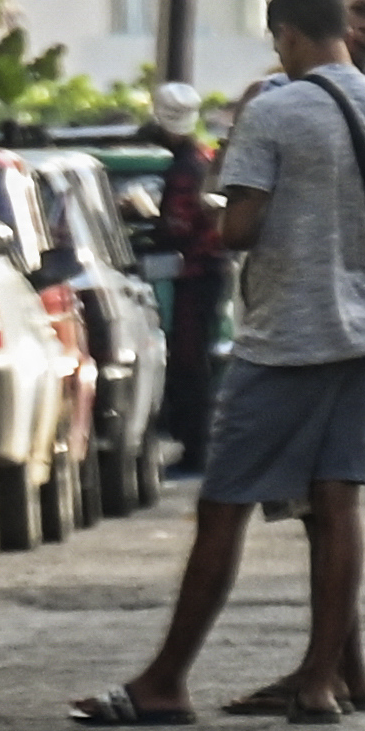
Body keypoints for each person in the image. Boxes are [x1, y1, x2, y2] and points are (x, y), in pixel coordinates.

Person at [75, 0, 365, 727]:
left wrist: (261, 217)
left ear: (286, 34)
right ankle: (326, 680)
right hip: (358, 332)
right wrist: (338, 237)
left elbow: (237, 228)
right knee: (336, 504)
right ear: (343, 24)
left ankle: (166, 680)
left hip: (283, 337)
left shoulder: (271, 106)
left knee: (223, 507)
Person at [147, 83, 224, 474]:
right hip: (204, 271)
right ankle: (195, 444)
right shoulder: (200, 159)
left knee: (191, 363)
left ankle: (198, 449)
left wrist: (151, 224)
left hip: (196, 274)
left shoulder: (186, 167)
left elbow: (177, 226)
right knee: (193, 362)